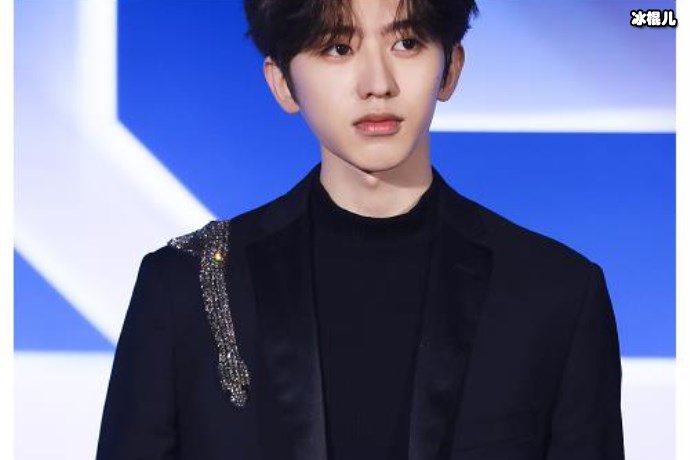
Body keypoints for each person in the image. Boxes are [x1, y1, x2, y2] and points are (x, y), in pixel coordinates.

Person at [96, 0, 625, 459]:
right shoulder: (185, 286)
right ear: (282, 82)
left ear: (451, 67)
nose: (378, 84)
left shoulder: (557, 293)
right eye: (338, 48)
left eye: (407, 43)